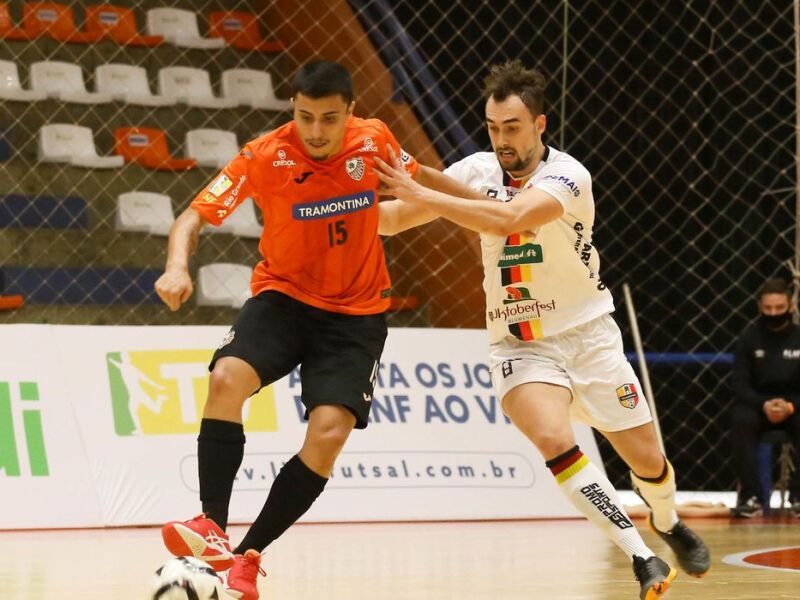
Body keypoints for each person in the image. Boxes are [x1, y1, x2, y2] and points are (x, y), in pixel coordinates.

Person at [374, 60, 711, 600]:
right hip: (519, 343)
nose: (501, 139)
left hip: (589, 334)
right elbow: (393, 219)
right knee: (555, 440)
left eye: (512, 127)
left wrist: (424, 186)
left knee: (648, 460)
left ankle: (667, 521)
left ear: (540, 124)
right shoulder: (476, 171)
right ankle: (641, 556)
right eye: (492, 127)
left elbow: (508, 219)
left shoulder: (568, 175)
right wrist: (328, 211)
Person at [154, 60, 475, 600]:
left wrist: (487, 203)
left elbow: (421, 180)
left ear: (351, 112)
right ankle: (211, 524)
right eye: (306, 117)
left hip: (356, 315)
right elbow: (193, 216)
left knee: (328, 434)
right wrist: (176, 265)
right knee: (227, 376)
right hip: (283, 297)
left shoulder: (373, 141)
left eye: (329, 119)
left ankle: (247, 557)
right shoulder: (265, 155)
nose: (317, 131)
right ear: (293, 110)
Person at [730, 277, 800, 518]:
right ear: (760, 308)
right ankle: (751, 496)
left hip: (794, 406)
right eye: (768, 309)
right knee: (741, 419)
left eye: (779, 308)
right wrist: (763, 404)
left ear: (790, 307)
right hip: (759, 405)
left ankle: (798, 496)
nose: (773, 313)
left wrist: (790, 406)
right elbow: (739, 383)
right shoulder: (749, 338)